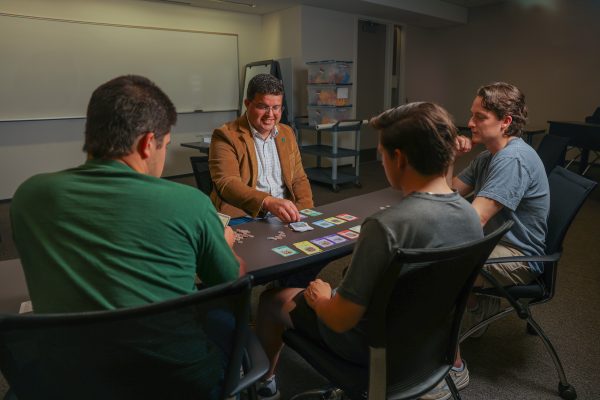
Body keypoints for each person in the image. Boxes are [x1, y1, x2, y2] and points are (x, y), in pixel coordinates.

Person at [10, 75, 244, 398]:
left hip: (67, 382)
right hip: (179, 381)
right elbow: (231, 282)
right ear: (149, 144)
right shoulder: (191, 204)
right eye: (164, 145)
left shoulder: (28, 198)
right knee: (226, 319)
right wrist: (226, 244)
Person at [254, 102, 483, 400]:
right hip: (429, 342)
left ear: (399, 159)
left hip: (372, 347)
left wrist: (323, 299)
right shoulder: (471, 217)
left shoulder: (384, 226)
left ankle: (264, 388)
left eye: (382, 155)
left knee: (271, 300)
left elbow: (341, 320)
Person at [421, 82, 551, 400]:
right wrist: (449, 155)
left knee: (437, 269)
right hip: (495, 243)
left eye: (480, 116)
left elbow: (473, 220)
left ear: (505, 121)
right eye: (472, 114)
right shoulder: (490, 155)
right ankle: (479, 302)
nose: (471, 122)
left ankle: (453, 367)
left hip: (518, 256)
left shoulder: (512, 160)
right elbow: (449, 192)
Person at [209, 73, 313, 225]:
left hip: (283, 213)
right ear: (247, 103)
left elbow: (298, 178)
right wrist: (268, 202)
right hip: (243, 215)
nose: (270, 115)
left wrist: (308, 213)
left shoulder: (287, 132)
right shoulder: (225, 135)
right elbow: (227, 183)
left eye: (276, 107)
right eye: (263, 107)